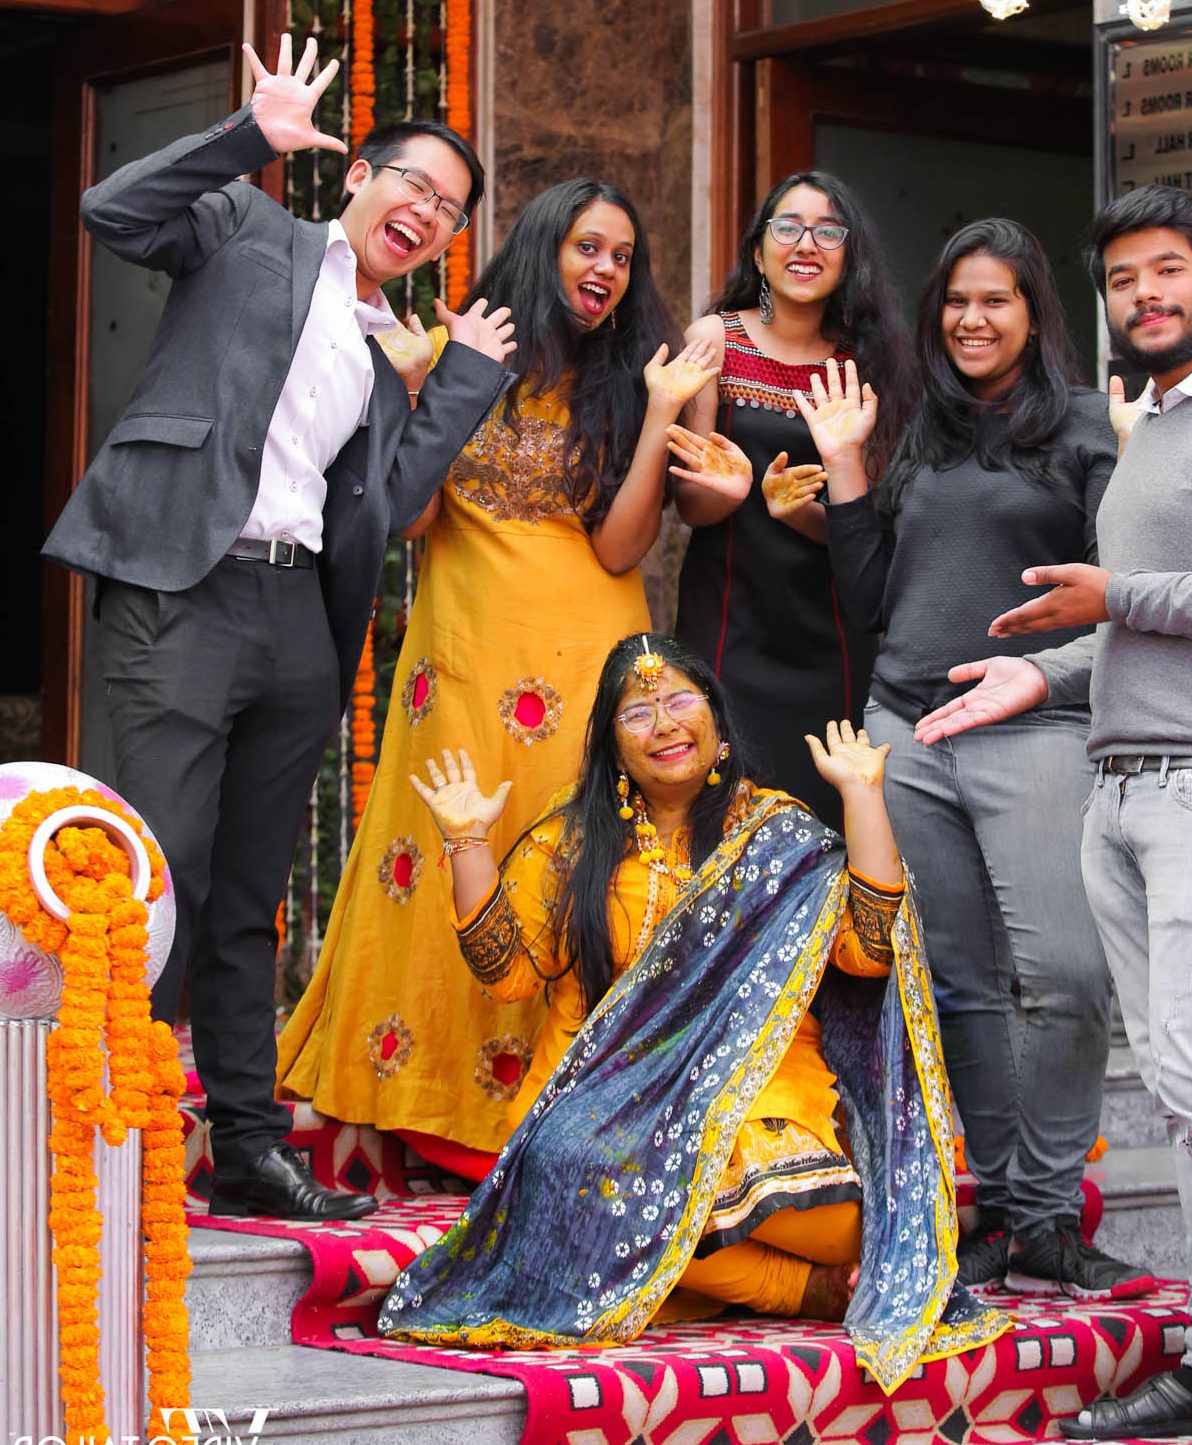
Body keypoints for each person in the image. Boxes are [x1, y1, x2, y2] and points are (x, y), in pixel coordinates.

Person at [41, 35, 517, 1221]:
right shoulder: (246, 232)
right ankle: (124, 1131)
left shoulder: (384, 345)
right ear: (354, 174)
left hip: (297, 616)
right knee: (162, 873)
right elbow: (110, 209)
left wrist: (454, 377)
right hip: (183, 584)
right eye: (413, 183)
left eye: (450, 211)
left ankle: (247, 1142)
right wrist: (250, 136)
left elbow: (392, 502)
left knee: (252, 891)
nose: (427, 214)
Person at [915, 186, 1192, 1445]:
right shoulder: (1149, 429)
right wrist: (1039, 673)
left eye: (1167, 271)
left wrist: (1115, 593)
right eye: (1120, 279)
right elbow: (1145, 631)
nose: (1144, 294)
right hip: (1122, 786)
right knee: (1180, 1091)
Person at [373, 632, 1007, 1387]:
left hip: (759, 1103)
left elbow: (868, 953)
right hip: (599, 1124)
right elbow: (508, 974)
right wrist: (468, 841)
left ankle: (745, 1262)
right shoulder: (572, 841)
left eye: (679, 701)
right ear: (611, 744)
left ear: (715, 720)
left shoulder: (779, 836)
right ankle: (799, 1293)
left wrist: (863, 798)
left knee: (715, 1213)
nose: (665, 724)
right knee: (594, 1193)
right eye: (637, 712)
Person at [276, 181, 723, 1174]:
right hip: (466, 655)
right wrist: (418, 391)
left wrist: (659, 416)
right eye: (585, 247)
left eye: (620, 255)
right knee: (445, 851)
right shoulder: (451, 355)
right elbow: (410, 518)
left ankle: (563, 1114)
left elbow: (621, 548)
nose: (603, 270)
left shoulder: (625, 381)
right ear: (540, 248)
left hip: (587, 642)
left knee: (571, 863)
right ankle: (427, 1105)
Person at [794, 218, 1153, 1302]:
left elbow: (1134, 597)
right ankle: (1001, 1210)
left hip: (1037, 724)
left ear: (1034, 311)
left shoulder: (1091, 429)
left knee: (1068, 975)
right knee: (957, 982)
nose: (970, 319)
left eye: (994, 299)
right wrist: (849, 468)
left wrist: (1140, 466)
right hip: (910, 728)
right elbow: (870, 598)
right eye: (955, 300)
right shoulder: (926, 435)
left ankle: (1047, 1210)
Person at [668, 172, 912, 830]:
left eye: (828, 230)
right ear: (757, 251)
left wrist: (802, 511)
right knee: (721, 820)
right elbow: (690, 507)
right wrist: (734, 489)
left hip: (834, 635)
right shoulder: (715, 339)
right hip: (730, 624)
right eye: (788, 227)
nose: (806, 244)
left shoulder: (870, 361)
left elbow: (878, 529)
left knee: (829, 825)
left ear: (849, 252)